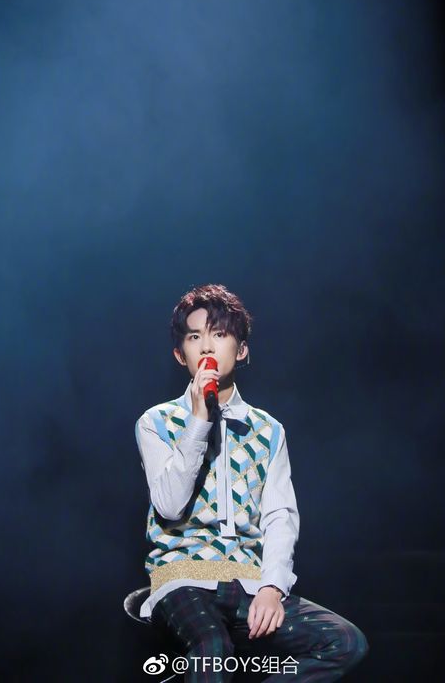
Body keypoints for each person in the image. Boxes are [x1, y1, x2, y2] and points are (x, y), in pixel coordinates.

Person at [134, 283, 368, 681]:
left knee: (345, 642)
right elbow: (170, 506)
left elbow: (279, 516)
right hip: (182, 579)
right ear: (180, 354)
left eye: (219, 334)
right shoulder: (156, 422)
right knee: (212, 648)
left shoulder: (268, 430)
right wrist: (199, 421)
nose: (207, 347)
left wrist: (272, 588)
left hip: (249, 584)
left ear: (241, 350)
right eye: (194, 337)